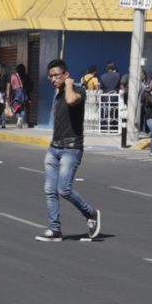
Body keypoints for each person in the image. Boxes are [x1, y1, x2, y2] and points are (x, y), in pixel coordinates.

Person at [38, 58, 101, 242]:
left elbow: (72, 100)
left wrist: (69, 84)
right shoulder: (58, 95)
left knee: (64, 189)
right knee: (50, 190)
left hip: (71, 149)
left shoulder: (78, 91)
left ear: (66, 74)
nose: (53, 79)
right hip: (54, 148)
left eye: (56, 75)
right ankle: (55, 230)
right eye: (50, 76)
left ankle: (91, 214)